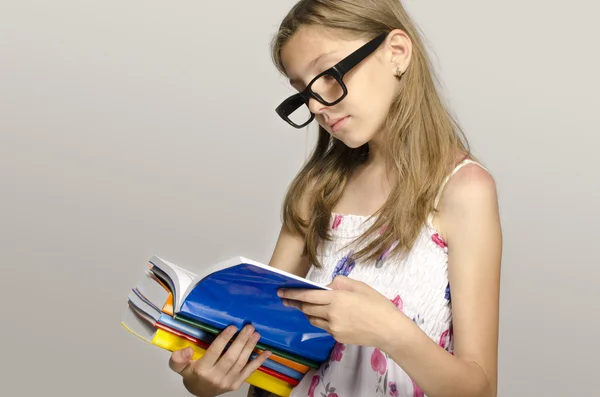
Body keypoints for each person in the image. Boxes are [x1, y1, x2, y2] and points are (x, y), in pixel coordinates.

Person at [168, 0, 503, 396]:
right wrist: (207, 380)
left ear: (396, 52)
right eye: (303, 92)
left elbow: (479, 389)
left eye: (328, 74)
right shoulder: (318, 191)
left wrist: (391, 332)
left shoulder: (463, 191)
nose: (315, 105)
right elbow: (266, 343)